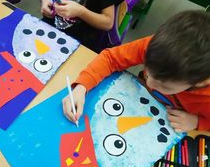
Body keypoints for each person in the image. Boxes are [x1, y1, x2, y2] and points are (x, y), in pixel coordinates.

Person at [62, 10, 210, 132]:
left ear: (200, 81)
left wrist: (197, 122)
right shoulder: (158, 47)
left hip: (173, 125)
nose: (150, 83)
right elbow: (110, 58)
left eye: (165, 86)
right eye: (148, 72)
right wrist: (82, 87)